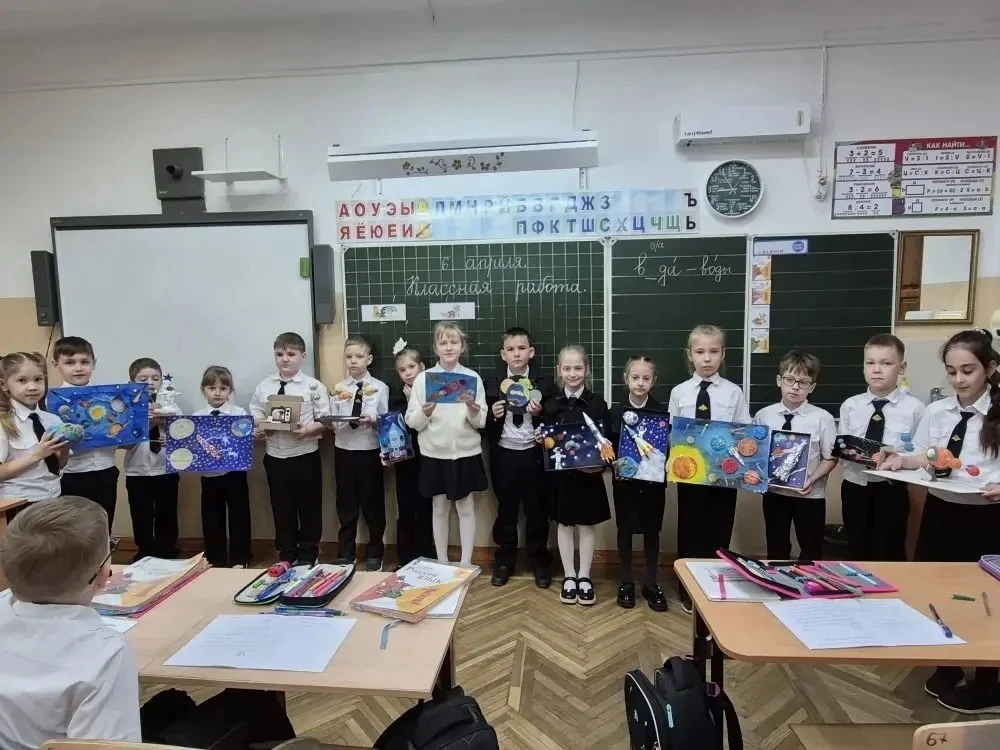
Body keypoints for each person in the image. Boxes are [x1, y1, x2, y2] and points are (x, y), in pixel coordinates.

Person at [0, 496, 295, 750]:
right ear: (103, 574)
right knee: (254, 703)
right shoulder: (104, 653)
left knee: (173, 702)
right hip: (79, 742)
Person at [878, 329, 1000, 713]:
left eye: (968, 370)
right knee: (936, 589)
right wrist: (902, 459)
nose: (959, 379)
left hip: (986, 517)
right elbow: (929, 455)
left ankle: (988, 683)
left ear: (989, 368)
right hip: (942, 510)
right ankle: (947, 666)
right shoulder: (938, 411)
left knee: (985, 600)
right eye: (951, 371)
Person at [668, 325, 750, 613]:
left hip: (725, 476)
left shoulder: (733, 392)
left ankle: (716, 585)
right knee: (690, 529)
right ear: (690, 355)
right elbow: (672, 432)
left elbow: (744, 432)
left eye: (713, 351)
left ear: (723, 354)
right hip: (690, 475)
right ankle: (689, 588)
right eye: (700, 352)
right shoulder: (680, 392)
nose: (706, 358)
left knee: (719, 529)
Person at [405, 322, 487, 566]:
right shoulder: (423, 380)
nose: (449, 347)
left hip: (465, 453)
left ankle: (466, 562)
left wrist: (473, 411)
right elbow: (413, 422)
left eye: (454, 342)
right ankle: (442, 561)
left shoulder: (471, 378)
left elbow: (481, 422)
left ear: (462, 346)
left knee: (465, 507)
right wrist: (425, 412)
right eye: (443, 343)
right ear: (435, 348)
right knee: (439, 507)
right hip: (434, 454)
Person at [839, 334, 925, 561]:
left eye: (886, 363)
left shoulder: (915, 409)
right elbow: (843, 445)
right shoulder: (850, 405)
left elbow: (921, 452)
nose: (877, 370)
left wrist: (900, 458)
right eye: (870, 363)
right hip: (855, 487)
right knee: (857, 548)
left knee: (890, 549)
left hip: (892, 489)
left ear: (901, 368)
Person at [249, 332, 331, 571]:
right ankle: (286, 553)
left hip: (304, 455)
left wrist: (307, 431)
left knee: (309, 507)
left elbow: (325, 419)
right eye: (280, 354)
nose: (285, 359)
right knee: (281, 507)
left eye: (291, 354)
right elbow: (255, 412)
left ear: (302, 356)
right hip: (275, 456)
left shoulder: (313, 387)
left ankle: (308, 554)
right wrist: (262, 426)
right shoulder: (264, 386)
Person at [539, 344, 611, 606]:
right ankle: (569, 575)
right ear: (559, 370)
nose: (572, 374)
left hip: (588, 476)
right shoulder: (551, 405)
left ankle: (585, 576)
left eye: (578, 368)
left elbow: (605, 441)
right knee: (564, 525)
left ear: (587, 370)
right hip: (561, 478)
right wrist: (541, 438)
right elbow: (547, 440)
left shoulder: (598, 404)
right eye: (567, 368)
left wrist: (601, 459)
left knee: (586, 525)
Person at [753, 350, 837, 561]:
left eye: (803, 382)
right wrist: (761, 477)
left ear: (812, 386)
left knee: (811, 549)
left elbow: (830, 458)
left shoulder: (822, 418)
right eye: (789, 380)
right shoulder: (764, 416)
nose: (795, 387)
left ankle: (809, 582)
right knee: (776, 545)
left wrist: (811, 479)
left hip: (809, 495)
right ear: (779, 381)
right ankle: (776, 579)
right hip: (774, 494)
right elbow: (756, 454)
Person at [485, 327, 552, 588]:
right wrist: (492, 415)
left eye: (522, 348)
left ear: (531, 352)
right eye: (511, 349)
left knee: (537, 509)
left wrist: (540, 414)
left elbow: (554, 418)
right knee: (507, 508)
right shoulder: (493, 383)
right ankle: (505, 559)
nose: (517, 354)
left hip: (533, 454)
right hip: (504, 454)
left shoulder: (543, 383)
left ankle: (539, 560)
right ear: (503, 354)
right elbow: (480, 421)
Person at [609, 355, 667, 610]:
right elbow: (609, 446)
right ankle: (626, 582)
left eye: (646, 378)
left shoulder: (661, 412)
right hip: (625, 483)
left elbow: (668, 446)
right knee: (625, 529)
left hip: (653, 484)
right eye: (635, 377)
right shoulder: (616, 412)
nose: (640, 383)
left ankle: (651, 582)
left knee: (652, 531)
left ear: (653, 381)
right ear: (626, 379)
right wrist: (613, 463)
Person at [329, 335, 389, 570]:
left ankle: (375, 552)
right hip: (343, 450)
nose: (353, 361)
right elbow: (334, 423)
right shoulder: (337, 389)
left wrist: (373, 422)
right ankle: (346, 553)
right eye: (349, 357)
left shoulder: (380, 388)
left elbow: (387, 422)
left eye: (359, 356)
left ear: (369, 359)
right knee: (346, 505)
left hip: (369, 451)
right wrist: (329, 422)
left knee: (373, 505)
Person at [52, 336, 120, 524]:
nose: (78, 368)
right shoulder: (51, 403)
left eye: (84, 362)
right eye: (70, 362)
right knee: (74, 530)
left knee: (103, 526)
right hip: (71, 475)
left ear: (94, 363)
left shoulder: (110, 398)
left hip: (105, 470)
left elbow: (125, 439)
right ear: (56, 365)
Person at [193, 365, 251, 568]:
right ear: (203, 390)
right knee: (211, 517)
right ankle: (215, 558)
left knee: (239, 515)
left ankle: (240, 558)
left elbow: (244, 442)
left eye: (223, 388)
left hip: (235, 473)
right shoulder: (197, 417)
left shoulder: (239, 413)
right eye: (212, 388)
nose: (217, 393)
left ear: (230, 391)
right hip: (209, 475)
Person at [123, 357, 179, 561]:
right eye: (143, 379)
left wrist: (170, 431)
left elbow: (184, 434)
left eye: (156, 378)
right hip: (138, 470)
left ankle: (167, 549)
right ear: (132, 382)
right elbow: (123, 441)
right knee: (141, 514)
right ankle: (145, 550)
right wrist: (149, 424)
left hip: (166, 469)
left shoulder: (171, 405)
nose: (150, 382)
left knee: (167, 512)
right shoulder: (126, 408)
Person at [0, 351, 67, 505]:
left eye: (38, 379)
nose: (32, 387)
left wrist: (66, 446)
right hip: (19, 503)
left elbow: (59, 465)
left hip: (53, 497)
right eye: (22, 380)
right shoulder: (4, 423)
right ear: (4, 385)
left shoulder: (53, 420)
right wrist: (37, 455)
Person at [389, 340, 434, 567]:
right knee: (406, 508)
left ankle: (427, 557)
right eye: (402, 370)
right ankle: (405, 559)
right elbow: (395, 428)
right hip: (405, 461)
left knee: (426, 508)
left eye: (411, 367)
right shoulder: (397, 396)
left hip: (428, 458)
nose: (408, 373)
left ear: (422, 367)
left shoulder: (432, 393)